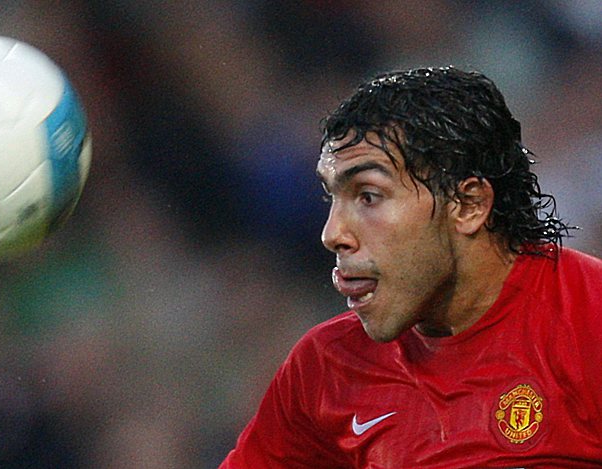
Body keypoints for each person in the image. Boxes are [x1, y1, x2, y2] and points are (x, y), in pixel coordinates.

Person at [220, 66, 602, 468]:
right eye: (332, 198)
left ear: (468, 205)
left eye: (368, 196)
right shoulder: (326, 370)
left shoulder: (588, 325)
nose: (333, 234)